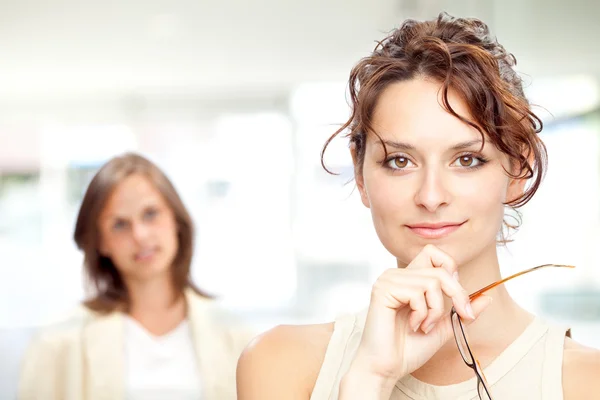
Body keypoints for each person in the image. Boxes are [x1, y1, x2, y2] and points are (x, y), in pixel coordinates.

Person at [236, 12, 600, 400]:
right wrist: (369, 380)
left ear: (518, 170)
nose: (430, 196)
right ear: (360, 175)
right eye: (400, 161)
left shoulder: (586, 382)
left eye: (466, 160)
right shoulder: (281, 364)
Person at [18, 152, 252, 400]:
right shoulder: (56, 343)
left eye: (151, 214)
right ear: (101, 243)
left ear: (176, 221)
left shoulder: (236, 336)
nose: (139, 235)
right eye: (119, 224)